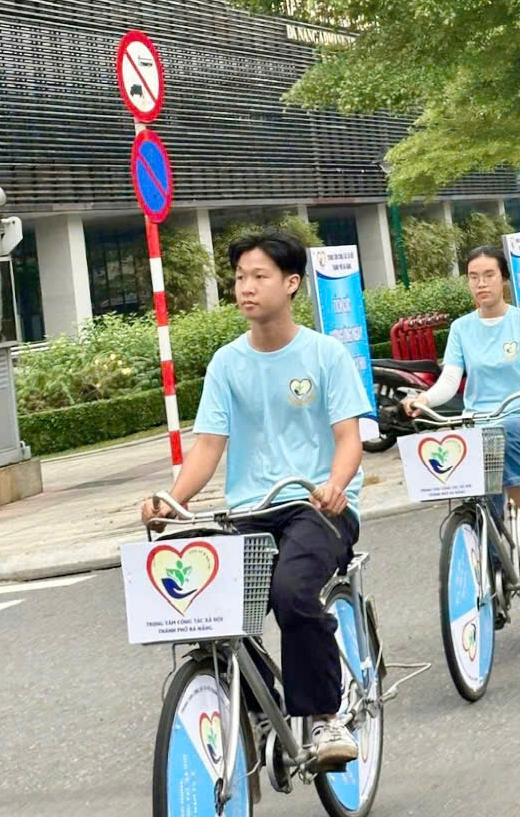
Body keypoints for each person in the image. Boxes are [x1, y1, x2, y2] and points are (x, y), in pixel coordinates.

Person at [139, 230, 369, 769]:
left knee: (292, 592)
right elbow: (208, 447)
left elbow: (348, 438)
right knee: (213, 610)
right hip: (249, 511)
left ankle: (324, 717)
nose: (246, 287)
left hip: (317, 507)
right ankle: (262, 706)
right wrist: (170, 500)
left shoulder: (325, 355)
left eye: (259, 276)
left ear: (291, 284)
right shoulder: (227, 363)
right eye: (240, 277)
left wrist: (335, 486)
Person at [406, 245, 520, 555]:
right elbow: (450, 380)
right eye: (473, 277)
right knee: (484, 499)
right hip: (478, 424)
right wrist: (424, 399)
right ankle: (494, 565)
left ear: (503, 279)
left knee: (503, 434)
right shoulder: (461, 328)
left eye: (489, 275)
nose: (481, 283)